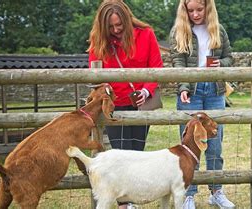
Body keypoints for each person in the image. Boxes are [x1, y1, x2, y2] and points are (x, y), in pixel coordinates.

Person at [87, 1, 163, 208]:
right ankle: (124, 203)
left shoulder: (146, 34)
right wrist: (106, 93)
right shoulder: (98, 40)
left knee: (137, 153)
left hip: (141, 103)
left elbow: (156, 66)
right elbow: (95, 75)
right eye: (111, 27)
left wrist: (146, 90)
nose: (116, 30)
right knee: (120, 153)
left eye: (119, 24)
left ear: (127, 19)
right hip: (115, 105)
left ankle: (132, 200)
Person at [169, 0, 234, 208]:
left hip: (215, 90)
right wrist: (184, 88)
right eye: (191, 10)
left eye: (200, 9)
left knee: (215, 144)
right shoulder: (179, 30)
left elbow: (228, 58)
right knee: (190, 146)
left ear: (208, 7)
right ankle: (189, 193)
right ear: (184, 10)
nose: (196, 14)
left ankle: (216, 191)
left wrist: (219, 64)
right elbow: (178, 62)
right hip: (192, 91)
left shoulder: (219, 30)